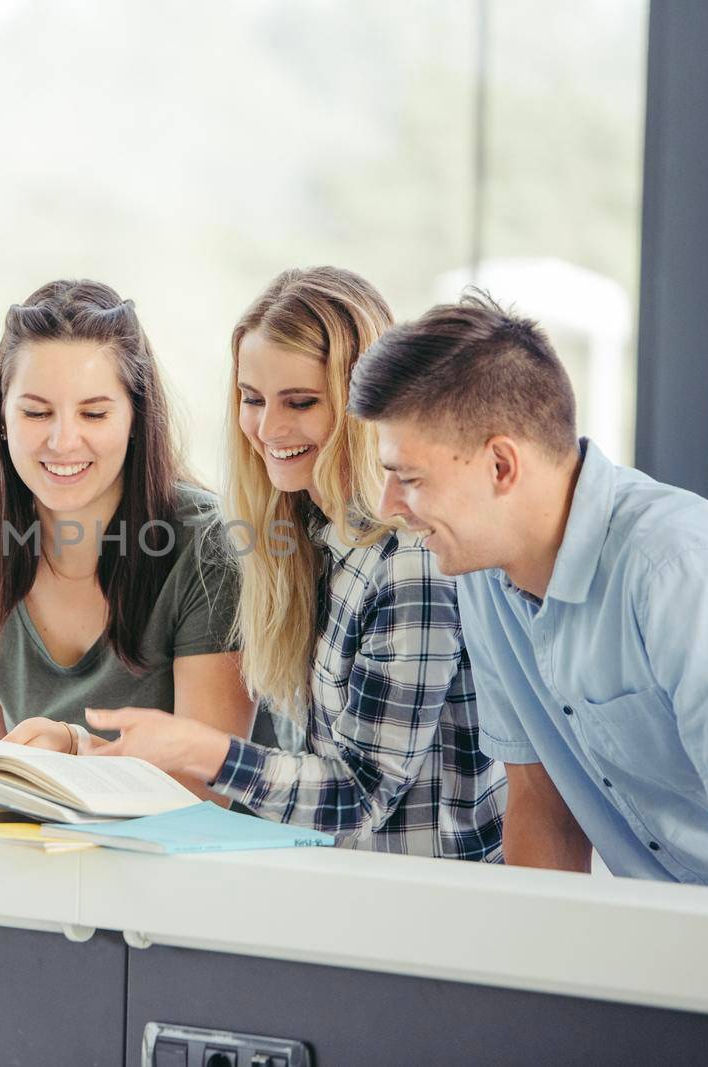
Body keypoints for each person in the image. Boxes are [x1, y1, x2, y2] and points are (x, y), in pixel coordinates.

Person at [347, 290, 708, 901]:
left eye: (408, 478)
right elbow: (544, 809)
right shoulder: (483, 576)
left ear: (501, 467)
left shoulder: (678, 570)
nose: (387, 508)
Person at [39, 267, 505, 860]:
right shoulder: (298, 541)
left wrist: (203, 750)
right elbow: (298, 794)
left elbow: (362, 796)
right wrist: (91, 751)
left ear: (364, 405)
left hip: (428, 915)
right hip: (335, 899)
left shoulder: (409, 561)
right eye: (252, 400)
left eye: (302, 402)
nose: (268, 428)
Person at [0, 279, 253, 795]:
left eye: (94, 413)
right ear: (3, 420)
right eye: (36, 412)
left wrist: (78, 747)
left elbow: (204, 792)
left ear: (134, 418)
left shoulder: (209, 548)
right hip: (52, 858)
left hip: (191, 865)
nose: (62, 441)